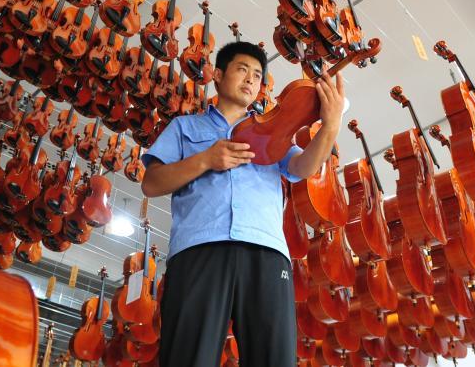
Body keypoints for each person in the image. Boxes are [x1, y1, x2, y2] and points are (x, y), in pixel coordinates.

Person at [141, 40, 345, 367]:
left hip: (266, 250)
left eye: (257, 75)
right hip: (199, 248)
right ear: (218, 75)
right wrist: (206, 159)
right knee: (187, 358)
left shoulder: (274, 129)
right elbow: (151, 183)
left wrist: (330, 126)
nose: (251, 79)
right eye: (242, 69)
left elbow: (302, 168)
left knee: (275, 359)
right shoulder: (184, 127)